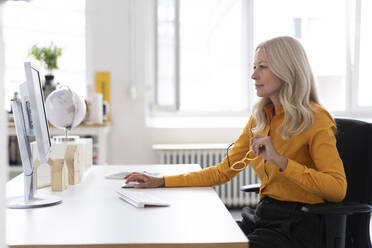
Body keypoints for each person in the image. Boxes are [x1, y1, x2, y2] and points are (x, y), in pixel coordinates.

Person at [125, 36, 347, 248]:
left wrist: (280, 160)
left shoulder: (314, 119)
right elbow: (222, 172)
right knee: (199, 238)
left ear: (286, 71)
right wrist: (161, 181)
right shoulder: (261, 117)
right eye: (253, 67)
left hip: (298, 225)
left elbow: (337, 189)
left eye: (262, 67)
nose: (253, 75)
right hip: (265, 217)